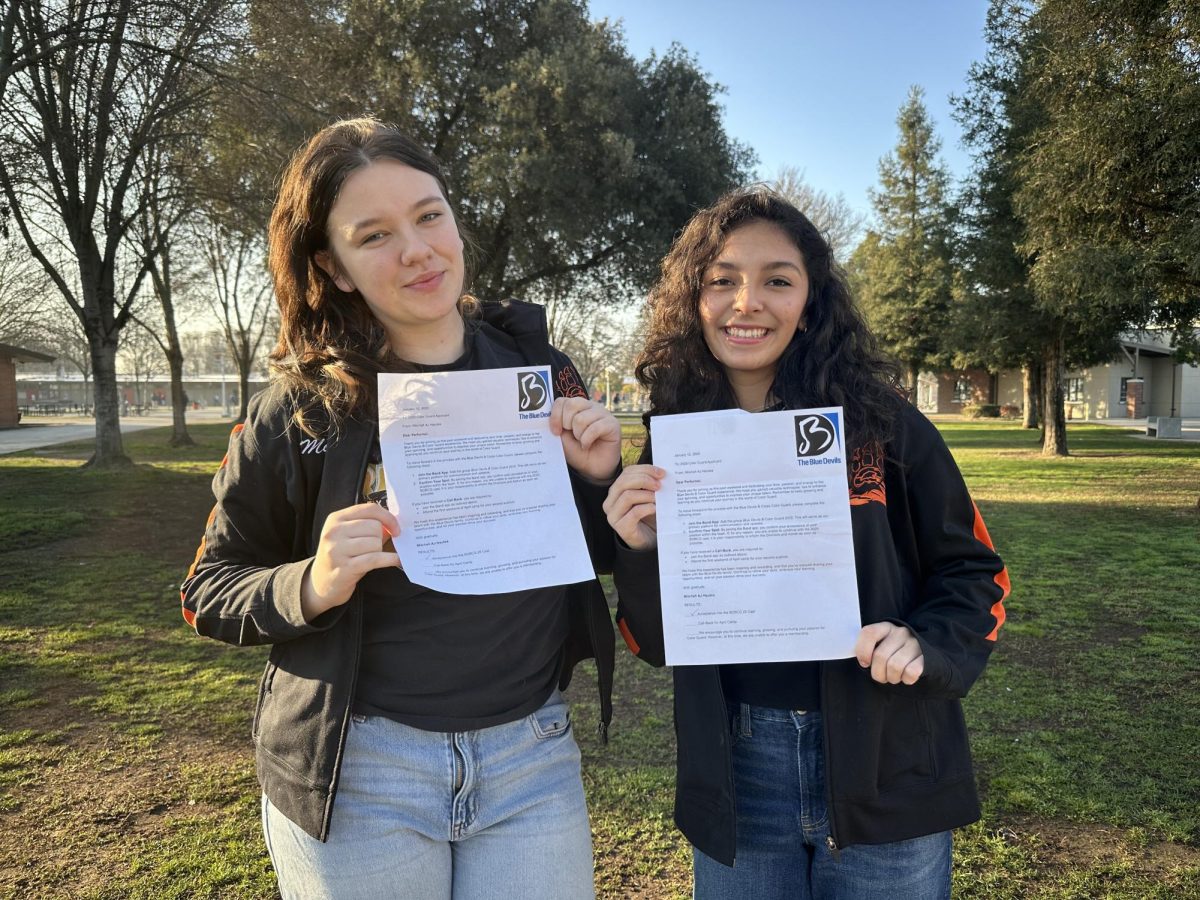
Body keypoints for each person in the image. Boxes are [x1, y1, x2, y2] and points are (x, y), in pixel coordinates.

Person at [181, 117, 620, 900]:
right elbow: (207, 589)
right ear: (335, 266)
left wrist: (597, 479)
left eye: (429, 216)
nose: (416, 250)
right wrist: (310, 583)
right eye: (374, 235)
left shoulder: (542, 372)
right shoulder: (299, 409)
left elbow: (587, 551)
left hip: (532, 758)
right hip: (360, 775)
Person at [602, 188, 1010, 899]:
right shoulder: (676, 440)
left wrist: (928, 644)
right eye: (722, 279)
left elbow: (975, 571)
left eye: (777, 280)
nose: (746, 302)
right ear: (693, 299)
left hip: (887, 753)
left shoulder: (883, 424)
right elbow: (657, 641)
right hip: (740, 767)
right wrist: (639, 549)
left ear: (811, 299)